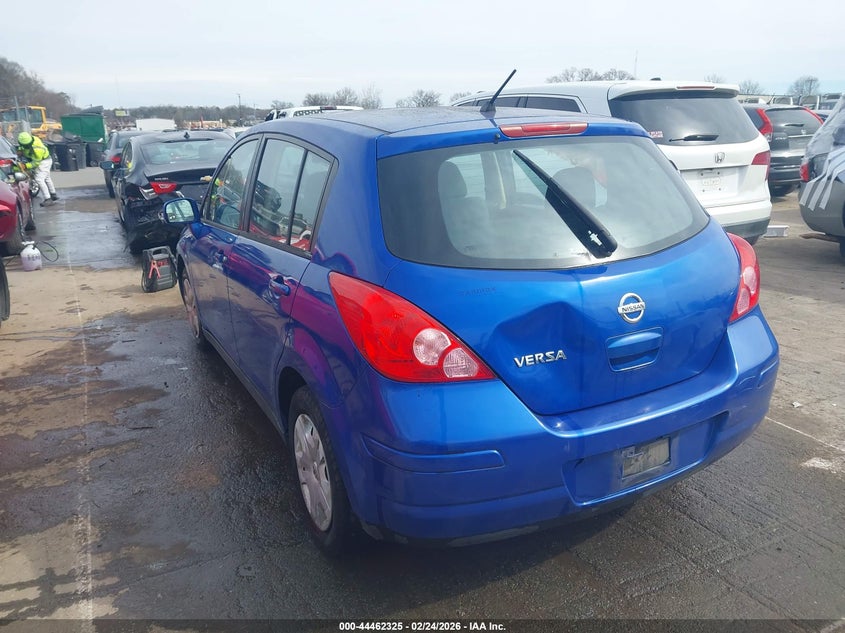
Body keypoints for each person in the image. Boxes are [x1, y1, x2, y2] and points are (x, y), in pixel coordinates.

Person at [16, 131, 59, 207]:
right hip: (46, 160)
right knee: (47, 178)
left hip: (43, 162)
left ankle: (48, 199)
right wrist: (20, 149)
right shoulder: (32, 139)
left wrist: (25, 166)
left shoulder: (37, 149)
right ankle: (53, 194)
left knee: (39, 179)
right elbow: (22, 145)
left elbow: (35, 163)